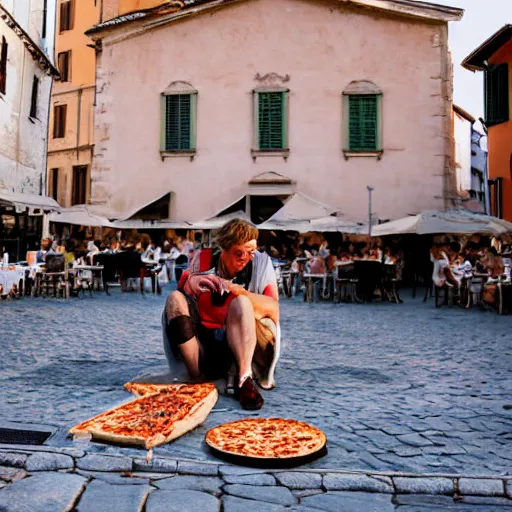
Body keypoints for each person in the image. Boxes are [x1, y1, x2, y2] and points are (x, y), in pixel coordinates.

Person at [162, 219, 279, 410]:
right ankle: (196, 377)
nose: (245, 258)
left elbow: (273, 307)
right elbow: (183, 289)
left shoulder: (260, 263)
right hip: (205, 343)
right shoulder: (204, 258)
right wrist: (193, 282)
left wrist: (236, 290)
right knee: (174, 299)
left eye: (250, 252)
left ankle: (244, 379)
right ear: (223, 249)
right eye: (238, 253)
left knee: (241, 302)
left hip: (247, 343)